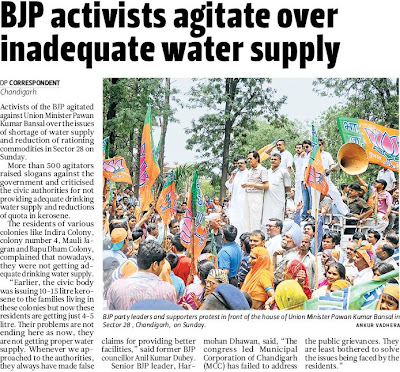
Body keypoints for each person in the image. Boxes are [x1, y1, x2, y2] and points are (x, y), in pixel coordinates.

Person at [107, 240, 175, 310]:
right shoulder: (167, 290)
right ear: (154, 265)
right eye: (162, 264)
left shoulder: (116, 287)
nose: (162, 268)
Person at [242, 151, 269, 232]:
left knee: (255, 219)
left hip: (256, 195)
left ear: (257, 158)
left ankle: (255, 237)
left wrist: (251, 185)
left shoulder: (262, 170)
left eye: (251, 158)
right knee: (246, 219)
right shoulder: (250, 171)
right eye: (248, 159)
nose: (249, 160)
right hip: (247, 194)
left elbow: (266, 185)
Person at [262, 153, 291, 224]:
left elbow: (288, 188)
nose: (273, 161)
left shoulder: (284, 172)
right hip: (267, 200)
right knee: (266, 221)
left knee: (277, 221)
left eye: (275, 159)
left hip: (278, 201)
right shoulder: (267, 172)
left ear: (280, 161)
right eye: (271, 159)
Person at [224, 155, 248, 240]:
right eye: (238, 163)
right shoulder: (235, 172)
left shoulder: (248, 173)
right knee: (234, 221)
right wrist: (232, 177)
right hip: (234, 203)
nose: (239, 165)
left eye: (241, 163)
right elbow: (228, 185)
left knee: (242, 222)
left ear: (246, 164)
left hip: (243, 202)